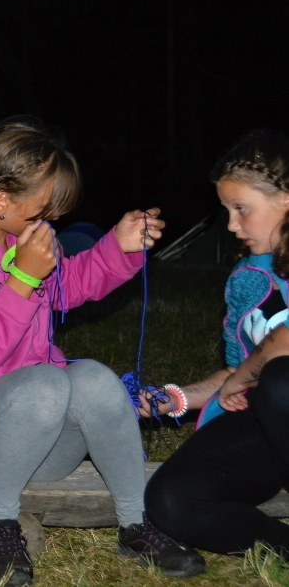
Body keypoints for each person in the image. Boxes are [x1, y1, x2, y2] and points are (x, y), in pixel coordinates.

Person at [0, 116, 205, 585]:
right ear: (2, 200)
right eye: (41, 213)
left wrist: (119, 247)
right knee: (46, 383)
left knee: (94, 377)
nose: (48, 224)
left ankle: (136, 524)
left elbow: (70, 284)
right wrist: (21, 281)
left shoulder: (20, 237)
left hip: (44, 447)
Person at [144, 129, 289, 559]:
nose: (231, 225)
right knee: (172, 501)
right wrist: (166, 400)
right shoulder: (247, 280)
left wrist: (245, 377)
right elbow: (234, 373)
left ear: (285, 199)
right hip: (268, 426)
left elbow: (277, 349)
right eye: (227, 210)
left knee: (280, 381)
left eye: (241, 209)